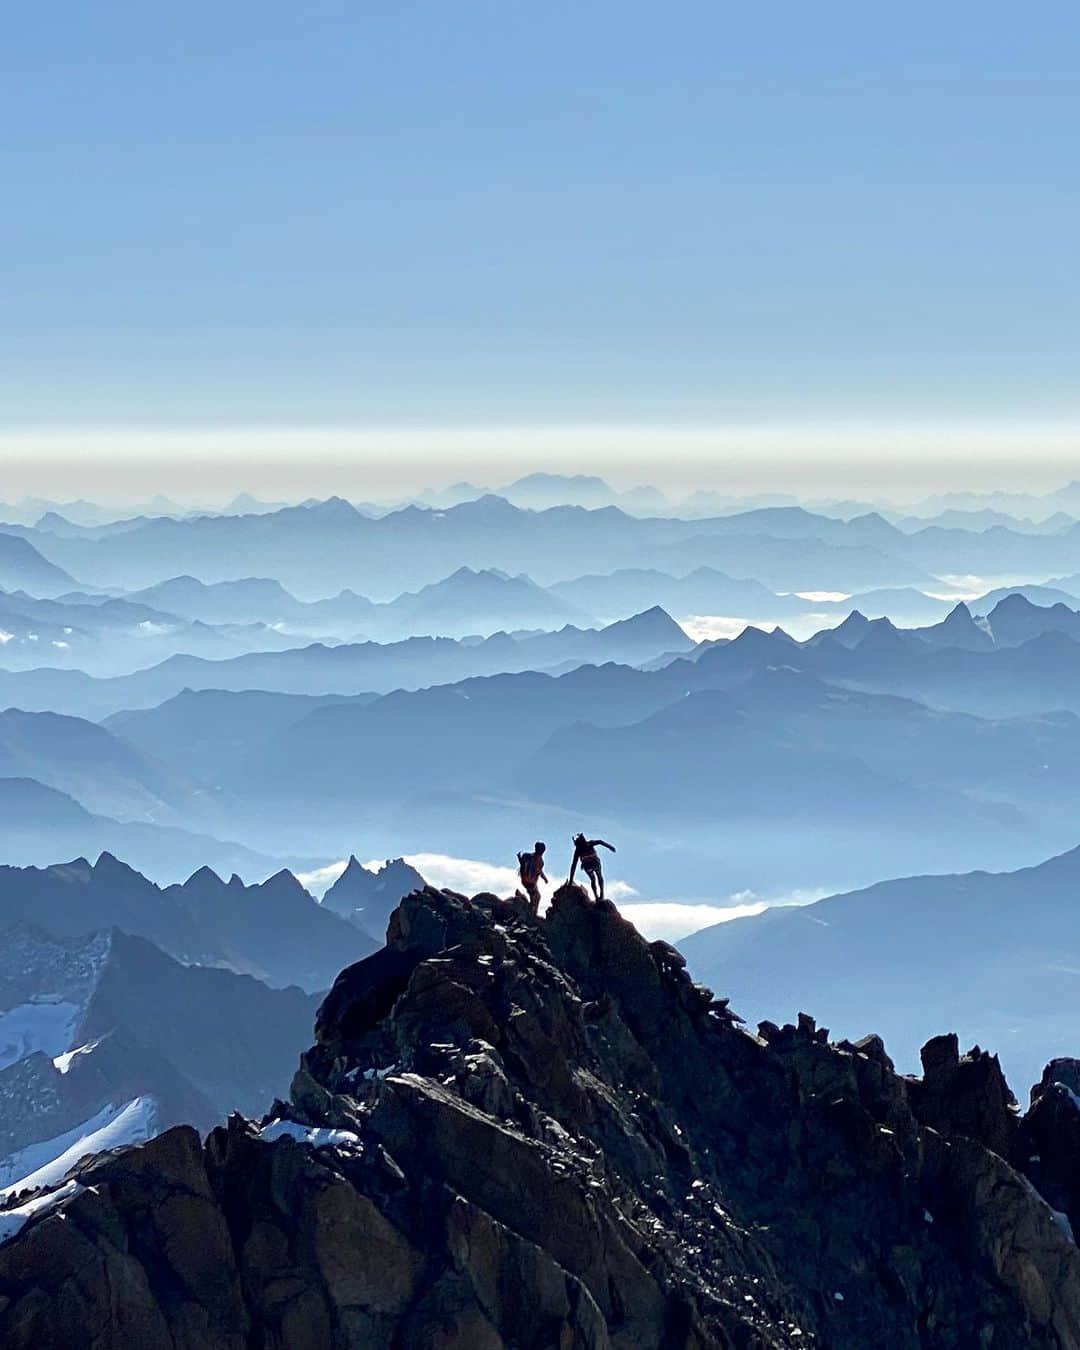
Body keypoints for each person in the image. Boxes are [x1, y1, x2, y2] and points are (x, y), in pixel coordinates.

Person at [569, 833, 616, 902]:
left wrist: (571, 880)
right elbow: (600, 841)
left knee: (593, 879)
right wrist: (610, 847)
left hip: (588, 866)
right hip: (594, 863)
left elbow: (573, 866)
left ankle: (597, 896)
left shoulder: (578, 850)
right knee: (599, 876)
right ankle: (601, 894)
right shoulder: (589, 844)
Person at [517, 840, 548, 915]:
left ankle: (531, 910)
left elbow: (539, 871)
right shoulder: (535, 859)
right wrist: (545, 879)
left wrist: (544, 878)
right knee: (537, 897)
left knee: (535, 897)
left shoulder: (531, 857)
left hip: (528, 881)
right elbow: (539, 871)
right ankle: (533, 913)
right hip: (529, 881)